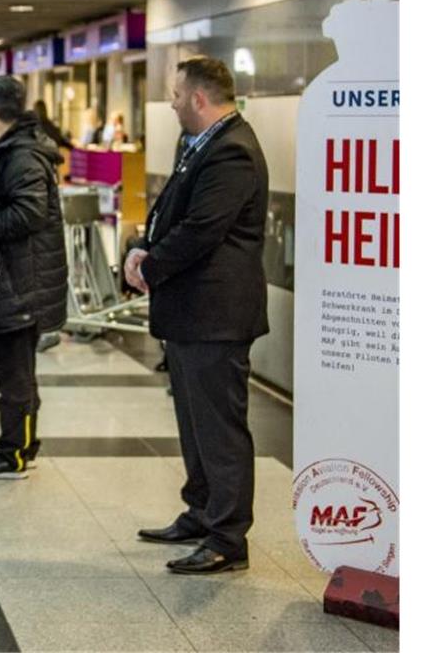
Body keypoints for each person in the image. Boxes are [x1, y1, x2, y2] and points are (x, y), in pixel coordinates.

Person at [124, 56, 269, 575]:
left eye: (177, 94)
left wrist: (152, 265)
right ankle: (202, 511)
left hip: (216, 316)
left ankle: (228, 538)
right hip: (192, 315)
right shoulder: (202, 144)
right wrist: (143, 247)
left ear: (200, 98)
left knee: (220, 429)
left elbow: (203, 229)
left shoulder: (232, 151)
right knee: (194, 423)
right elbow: (173, 213)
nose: (172, 102)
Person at [0, 76, 68, 480]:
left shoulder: (21, 155)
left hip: (22, 286)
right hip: (20, 281)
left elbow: (29, 214)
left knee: (14, 376)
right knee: (15, 372)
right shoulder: (11, 150)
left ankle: (14, 454)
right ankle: (20, 444)